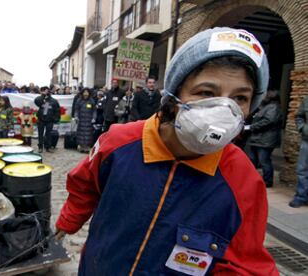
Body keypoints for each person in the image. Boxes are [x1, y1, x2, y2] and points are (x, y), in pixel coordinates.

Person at [55, 27, 279, 275]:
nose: (223, 109)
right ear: (173, 97)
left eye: (240, 98)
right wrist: (67, 223)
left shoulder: (243, 181)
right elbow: (85, 186)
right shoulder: (119, 143)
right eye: (206, 93)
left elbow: (246, 264)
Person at [247, 90, 282, 188]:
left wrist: (251, 127)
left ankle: (268, 181)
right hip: (257, 139)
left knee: (264, 161)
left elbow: (268, 121)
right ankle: (251, 178)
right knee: (252, 159)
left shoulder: (273, 108)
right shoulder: (265, 106)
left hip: (266, 140)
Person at [289, 94, 308, 208]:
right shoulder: (307, 100)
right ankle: (301, 196)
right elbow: (299, 116)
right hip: (307, 141)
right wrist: (303, 128)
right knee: (302, 170)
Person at [34, 86, 60, 153]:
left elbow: (57, 110)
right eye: (44, 91)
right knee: (40, 134)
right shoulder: (41, 100)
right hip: (41, 119)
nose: (46, 92)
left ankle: (48, 147)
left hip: (49, 120)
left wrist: (55, 118)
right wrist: (43, 95)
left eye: (47, 91)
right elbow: (36, 101)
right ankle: (40, 147)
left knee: (48, 134)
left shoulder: (54, 101)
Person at [74, 88, 96, 153]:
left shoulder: (92, 101)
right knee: (81, 134)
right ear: (82, 93)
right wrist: (76, 116)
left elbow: (94, 111)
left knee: (88, 134)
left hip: (89, 120)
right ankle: (81, 146)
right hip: (81, 120)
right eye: (84, 92)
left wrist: (94, 118)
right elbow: (76, 110)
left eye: (87, 92)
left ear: (89, 93)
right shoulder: (79, 100)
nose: (86, 93)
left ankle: (87, 147)